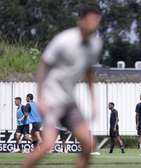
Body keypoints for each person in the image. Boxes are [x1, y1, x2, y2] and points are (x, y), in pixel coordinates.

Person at [22, 4, 102, 168]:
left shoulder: (96, 45)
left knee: (88, 144)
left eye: (97, 20)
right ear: (81, 21)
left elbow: (89, 73)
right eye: (91, 20)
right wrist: (40, 97)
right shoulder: (64, 40)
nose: (94, 24)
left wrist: (94, 102)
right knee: (48, 145)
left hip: (69, 101)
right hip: (52, 98)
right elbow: (43, 66)